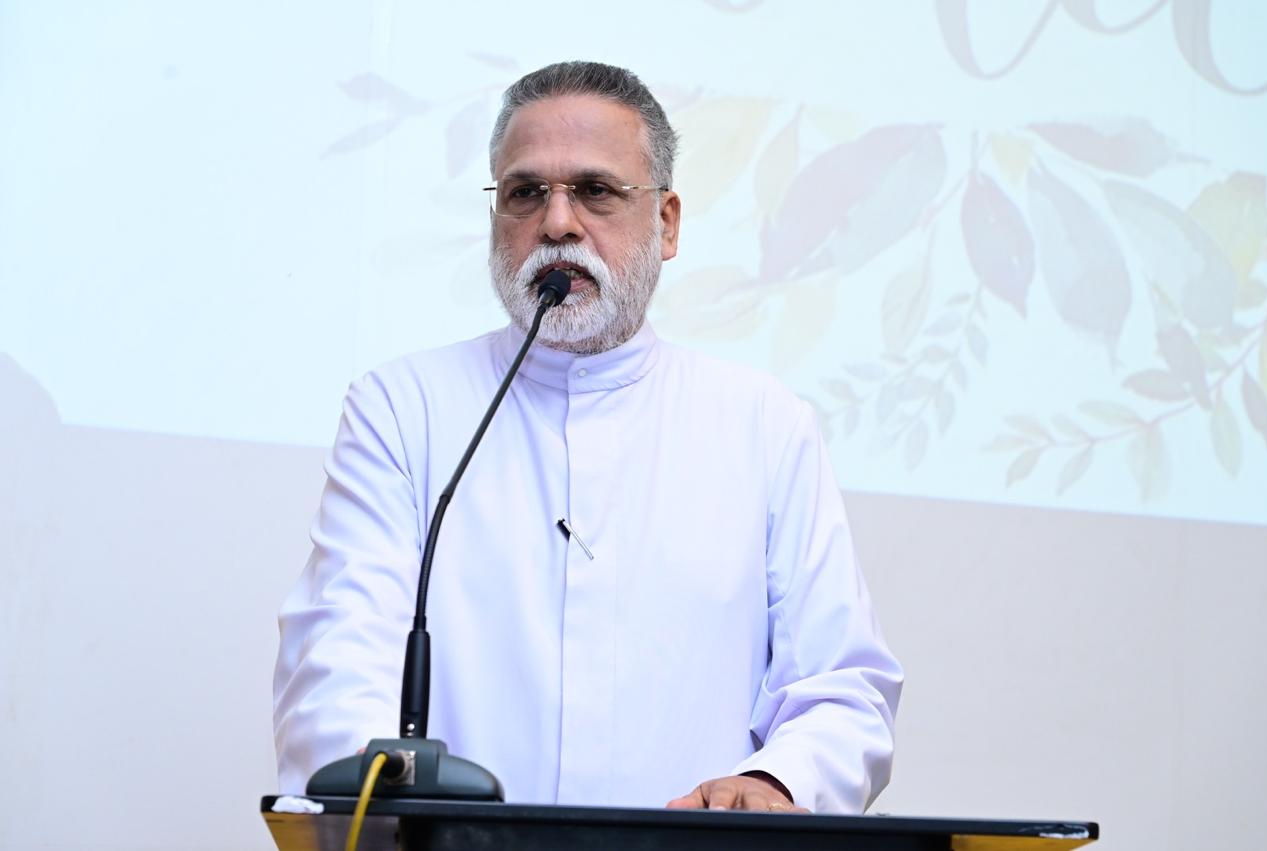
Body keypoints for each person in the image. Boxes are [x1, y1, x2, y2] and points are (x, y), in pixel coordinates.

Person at [273, 60, 902, 814]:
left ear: (666, 223)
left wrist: (776, 782)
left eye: (596, 190)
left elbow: (841, 687)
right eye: (525, 193)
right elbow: (338, 662)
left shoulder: (764, 425)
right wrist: (376, 792)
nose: (558, 223)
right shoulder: (405, 409)